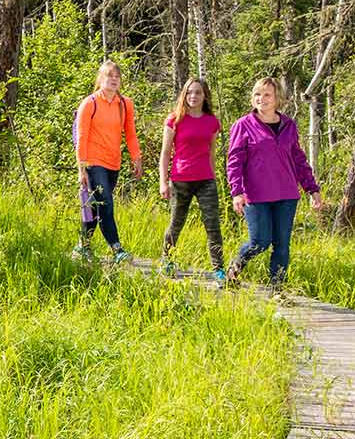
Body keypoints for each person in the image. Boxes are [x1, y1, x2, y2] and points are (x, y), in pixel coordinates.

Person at [225, 77, 322, 290]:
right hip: (255, 195)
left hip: (286, 195)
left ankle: (277, 289)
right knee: (259, 242)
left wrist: (312, 189)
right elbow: (234, 161)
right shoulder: (243, 125)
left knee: (282, 246)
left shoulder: (289, 125)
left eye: (267, 94)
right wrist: (237, 192)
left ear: (277, 98)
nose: (262, 99)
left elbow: (298, 159)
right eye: (257, 94)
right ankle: (234, 269)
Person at [74, 60, 143, 262]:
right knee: (106, 204)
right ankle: (117, 249)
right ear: (100, 79)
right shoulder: (90, 103)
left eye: (117, 76)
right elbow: (82, 137)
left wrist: (136, 158)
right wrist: (82, 169)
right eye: (109, 76)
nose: (113, 79)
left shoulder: (125, 104)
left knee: (96, 207)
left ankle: (83, 246)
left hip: (113, 163)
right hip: (93, 163)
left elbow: (130, 134)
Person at [157, 78, 226, 281]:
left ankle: (219, 269)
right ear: (184, 95)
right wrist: (163, 182)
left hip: (206, 180)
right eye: (189, 93)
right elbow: (165, 153)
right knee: (176, 223)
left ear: (205, 96)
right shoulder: (174, 119)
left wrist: (213, 177)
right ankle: (167, 260)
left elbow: (211, 152)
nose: (193, 96)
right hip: (180, 180)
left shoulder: (211, 122)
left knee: (212, 224)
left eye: (197, 93)